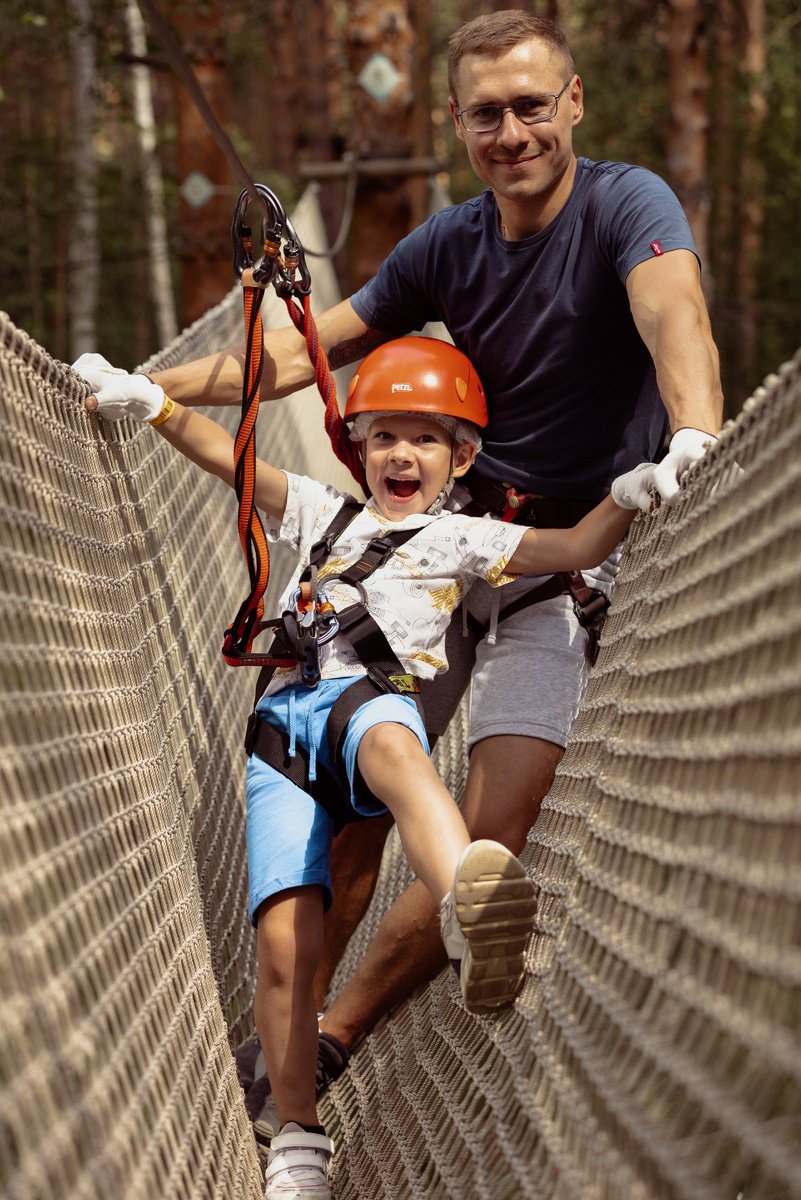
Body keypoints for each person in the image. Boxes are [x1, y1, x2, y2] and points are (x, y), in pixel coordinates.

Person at [119, 8, 723, 1121]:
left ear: (573, 103)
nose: (512, 131)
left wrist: (690, 432)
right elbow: (308, 348)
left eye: (532, 106)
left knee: (490, 841)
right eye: (487, 113)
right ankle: (281, 1065)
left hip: (559, 565)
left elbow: (672, 308)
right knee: (348, 812)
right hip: (429, 558)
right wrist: (148, 387)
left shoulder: (625, 205)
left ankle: (337, 1040)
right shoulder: (448, 242)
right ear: (456, 123)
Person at [73, 336, 651, 1199]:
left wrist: (628, 495)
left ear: (461, 458)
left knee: (393, 749)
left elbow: (565, 550)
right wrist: (150, 403)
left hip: (368, 703)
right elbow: (233, 464)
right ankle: (298, 1138)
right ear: (359, 450)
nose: (400, 454)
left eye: (424, 439)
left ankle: (465, 901)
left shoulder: (463, 535)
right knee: (282, 943)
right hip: (280, 730)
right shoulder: (317, 509)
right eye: (383, 437)